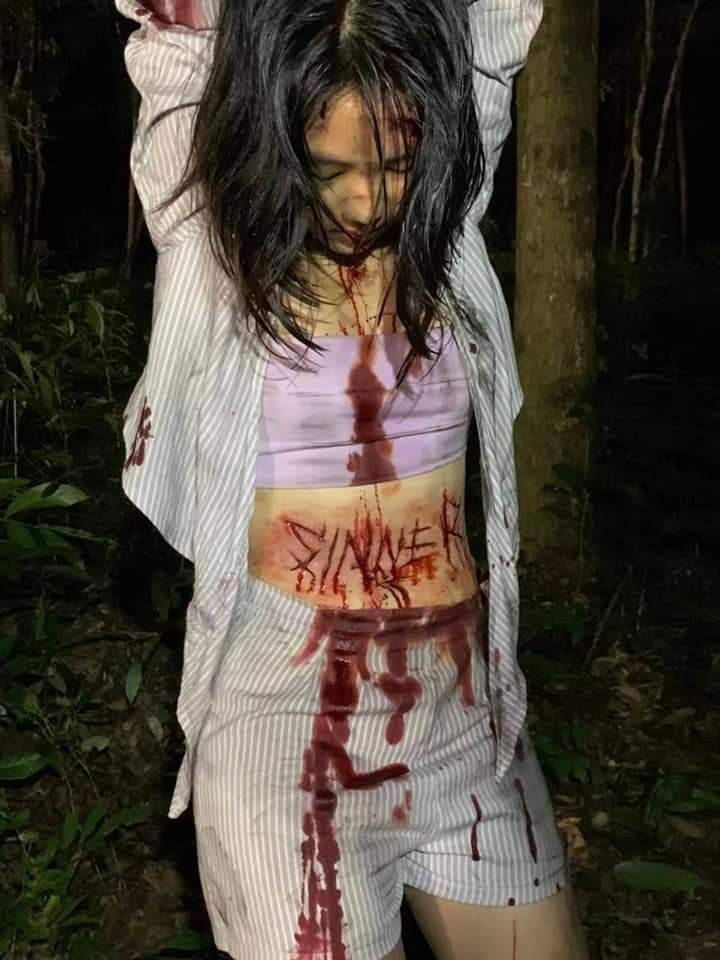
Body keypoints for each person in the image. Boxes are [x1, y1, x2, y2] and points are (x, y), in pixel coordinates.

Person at [115, 1, 590, 958]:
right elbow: (177, 35)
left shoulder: (446, 224)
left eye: (395, 164)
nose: (368, 202)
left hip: (463, 716)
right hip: (284, 732)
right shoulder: (210, 236)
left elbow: (495, 30)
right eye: (330, 171)